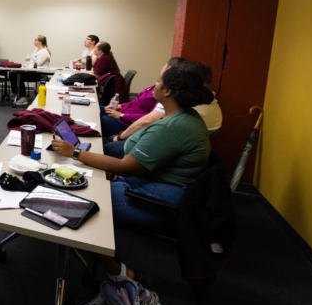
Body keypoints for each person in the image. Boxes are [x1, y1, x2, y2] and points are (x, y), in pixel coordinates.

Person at [51, 67, 214, 283]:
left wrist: (75, 153)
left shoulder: (172, 128)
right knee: (86, 181)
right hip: (150, 184)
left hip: (154, 198)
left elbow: (126, 166)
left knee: (81, 201)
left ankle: (120, 274)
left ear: (168, 91)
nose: (154, 85)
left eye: (158, 81)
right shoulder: (184, 117)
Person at [108, 60, 223, 151]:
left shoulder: (177, 102)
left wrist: (120, 137)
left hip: (154, 149)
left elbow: (146, 123)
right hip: (167, 149)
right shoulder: (211, 107)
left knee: (105, 145)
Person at [99, 57, 186, 138]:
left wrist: (121, 116)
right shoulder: (158, 85)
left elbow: (148, 119)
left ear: (168, 69)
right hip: (121, 113)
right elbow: (136, 101)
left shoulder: (164, 93)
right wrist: (120, 106)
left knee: (97, 120)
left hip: (126, 122)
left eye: (165, 65)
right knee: (96, 109)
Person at [10, 35, 51, 106]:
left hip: (39, 74)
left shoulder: (44, 52)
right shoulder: (37, 49)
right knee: (12, 73)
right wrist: (25, 65)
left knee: (20, 76)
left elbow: (36, 64)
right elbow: (31, 61)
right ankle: (14, 92)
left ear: (40, 42)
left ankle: (23, 98)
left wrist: (28, 65)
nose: (34, 41)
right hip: (31, 71)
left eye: (35, 39)